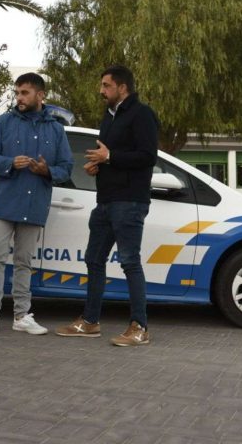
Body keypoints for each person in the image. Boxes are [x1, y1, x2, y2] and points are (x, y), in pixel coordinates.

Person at [56, 65, 159, 347]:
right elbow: (113, 157)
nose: (101, 91)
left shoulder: (142, 114)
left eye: (106, 86)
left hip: (130, 202)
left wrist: (110, 156)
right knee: (93, 259)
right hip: (105, 202)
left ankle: (140, 327)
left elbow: (147, 156)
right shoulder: (110, 117)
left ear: (122, 87)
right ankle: (90, 322)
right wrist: (98, 166)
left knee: (129, 262)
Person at [0, 73, 73, 337]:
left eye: (25, 93)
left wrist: (48, 171)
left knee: (24, 261)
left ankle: (22, 316)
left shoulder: (56, 129)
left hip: (34, 204)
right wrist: (9, 163)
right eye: (17, 93)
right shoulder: (4, 122)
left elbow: (67, 167)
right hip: (2, 203)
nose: (19, 98)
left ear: (40, 95)